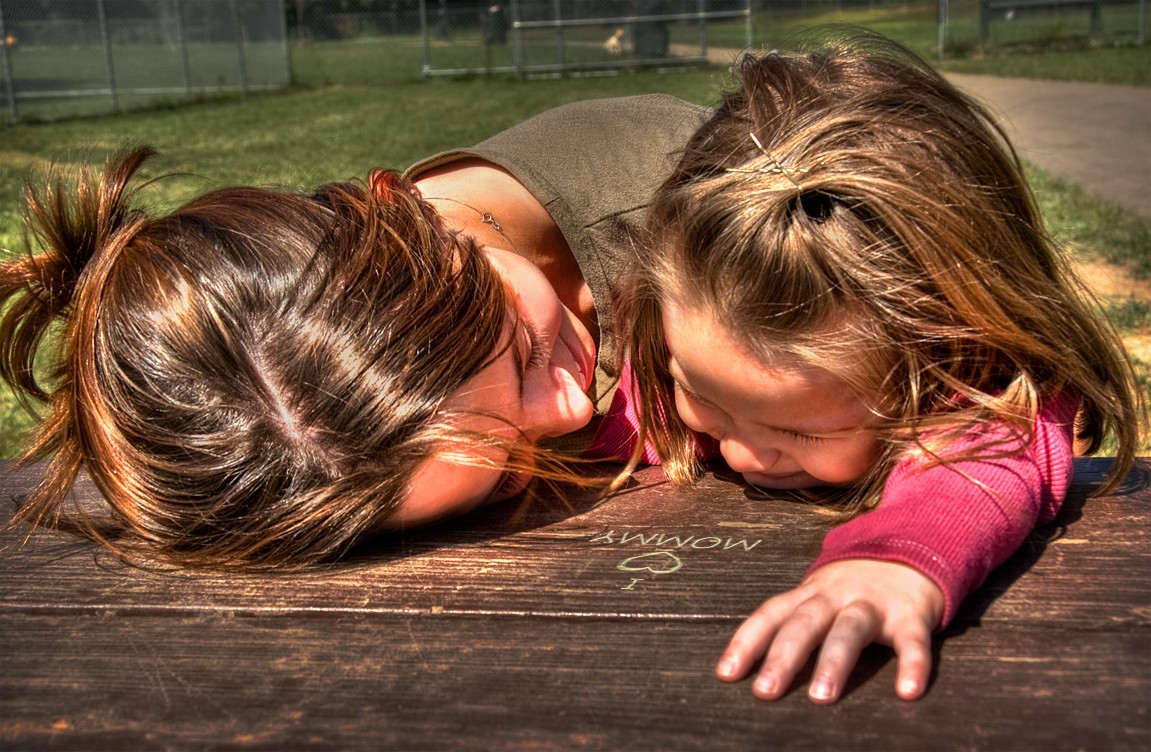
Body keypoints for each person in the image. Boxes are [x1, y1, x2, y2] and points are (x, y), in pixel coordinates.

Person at [614, 30, 1143, 705]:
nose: (741, 451)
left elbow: (987, 448)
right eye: (701, 395)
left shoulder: (971, 391)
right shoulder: (656, 356)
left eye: (801, 432)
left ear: (945, 362)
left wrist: (896, 557)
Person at [0, 95, 710, 568]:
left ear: (408, 223)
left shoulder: (714, 209)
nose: (569, 411)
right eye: (502, 479)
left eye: (523, 353)